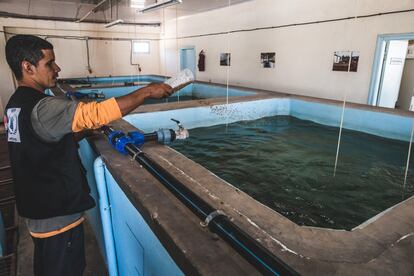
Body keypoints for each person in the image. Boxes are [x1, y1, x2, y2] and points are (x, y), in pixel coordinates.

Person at [4, 34, 173, 276]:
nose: (57, 68)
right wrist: (146, 92)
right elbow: (97, 113)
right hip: (57, 217)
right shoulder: (44, 107)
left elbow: (38, 142)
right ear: (28, 67)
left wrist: (80, 133)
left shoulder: (15, 104)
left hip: (36, 212)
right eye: (50, 63)